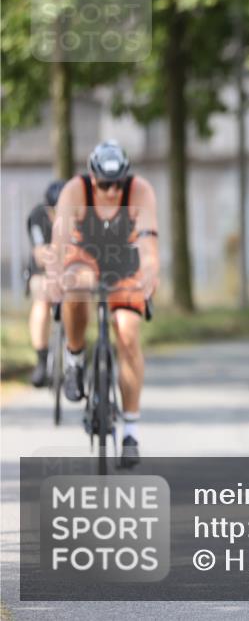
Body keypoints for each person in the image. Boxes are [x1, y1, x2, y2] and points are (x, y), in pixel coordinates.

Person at [51, 141, 159, 468]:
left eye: (118, 184)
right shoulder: (75, 191)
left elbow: (148, 242)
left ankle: (131, 433)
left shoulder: (140, 191)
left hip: (124, 262)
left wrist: (150, 273)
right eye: (105, 185)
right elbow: (60, 240)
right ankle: (74, 357)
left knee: (127, 332)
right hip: (85, 257)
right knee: (75, 288)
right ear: (92, 177)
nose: (112, 192)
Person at [26, 181, 65, 387]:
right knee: (42, 300)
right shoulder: (37, 216)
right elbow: (40, 254)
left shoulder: (77, 217)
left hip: (70, 271)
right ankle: (42, 359)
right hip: (42, 272)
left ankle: (76, 355)